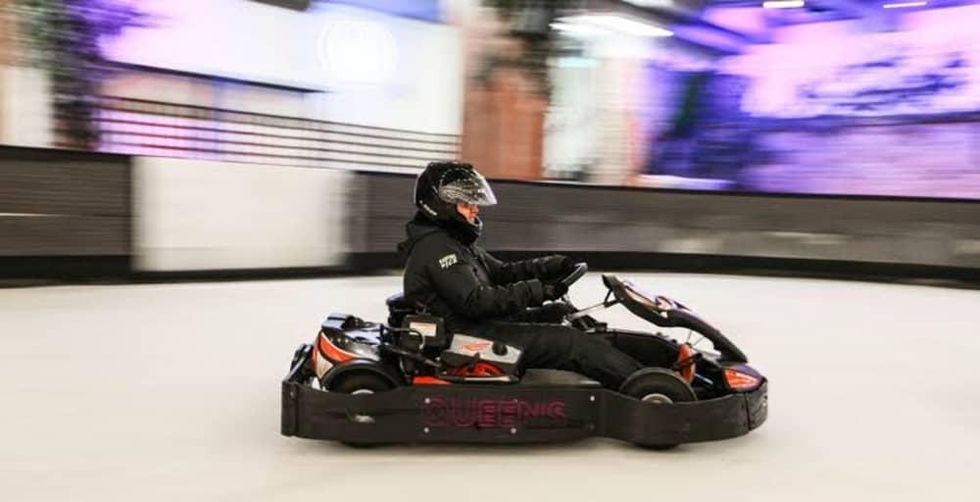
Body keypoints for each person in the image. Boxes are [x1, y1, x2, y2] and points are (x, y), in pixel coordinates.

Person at [398, 161, 643, 389]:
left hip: (475, 326)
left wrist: (550, 265)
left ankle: (636, 367)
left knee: (560, 313)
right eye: (466, 204)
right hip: (463, 337)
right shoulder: (436, 248)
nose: (475, 210)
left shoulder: (454, 242)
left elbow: (501, 273)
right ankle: (641, 385)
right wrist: (540, 291)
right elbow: (476, 302)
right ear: (441, 207)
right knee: (566, 341)